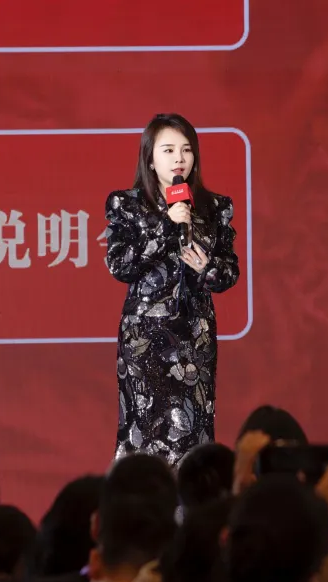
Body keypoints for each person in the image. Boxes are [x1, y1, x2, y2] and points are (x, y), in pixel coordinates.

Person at [105, 113, 240, 467]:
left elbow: (229, 273)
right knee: (144, 433)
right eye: (168, 150)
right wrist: (168, 224)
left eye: (186, 149)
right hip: (145, 338)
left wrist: (207, 267)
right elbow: (120, 265)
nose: (179, 158)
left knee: (194, 434)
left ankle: (193, 497)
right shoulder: (127, 205)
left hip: (195, 336)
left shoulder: (215, 207)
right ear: (150, 159)